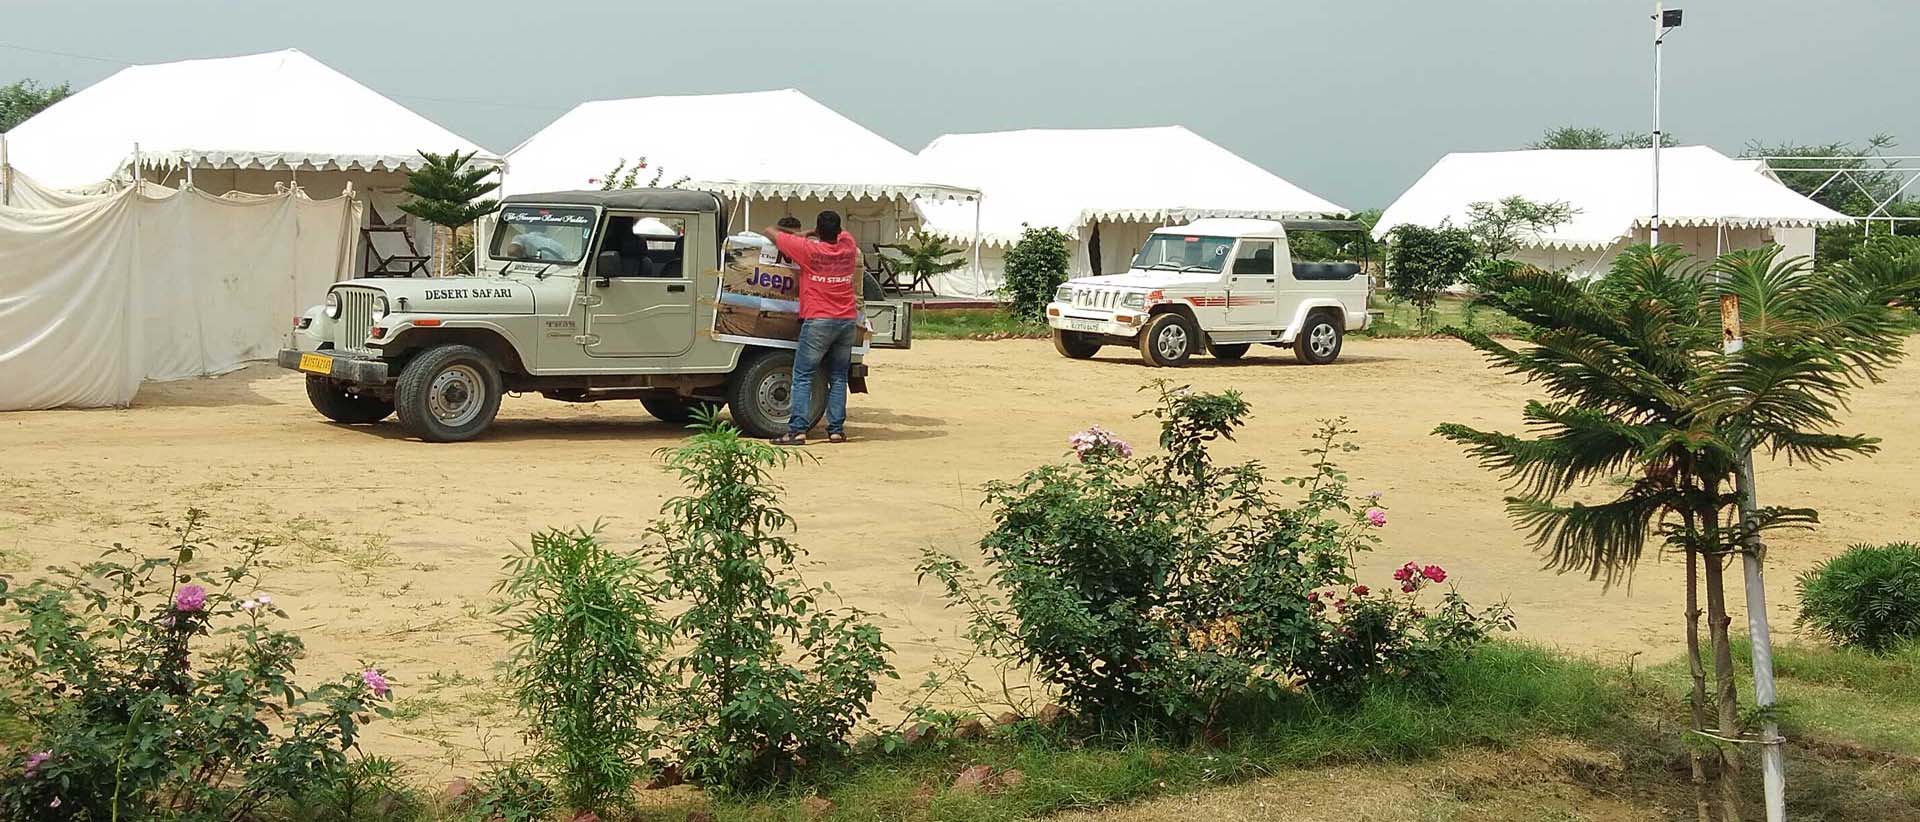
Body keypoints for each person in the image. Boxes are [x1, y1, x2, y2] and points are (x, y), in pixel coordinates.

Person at [765, 211, 859, 445]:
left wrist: (806, 233)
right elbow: (843, 233)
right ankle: (836, 430)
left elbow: (769, 232)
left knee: (803, 375)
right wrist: (819, 232)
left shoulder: (807, 249)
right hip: (847, 320)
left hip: (819, 319)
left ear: (818, 229)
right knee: (838, 377)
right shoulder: (848, 246)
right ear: (838, 231)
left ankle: (797, 431)